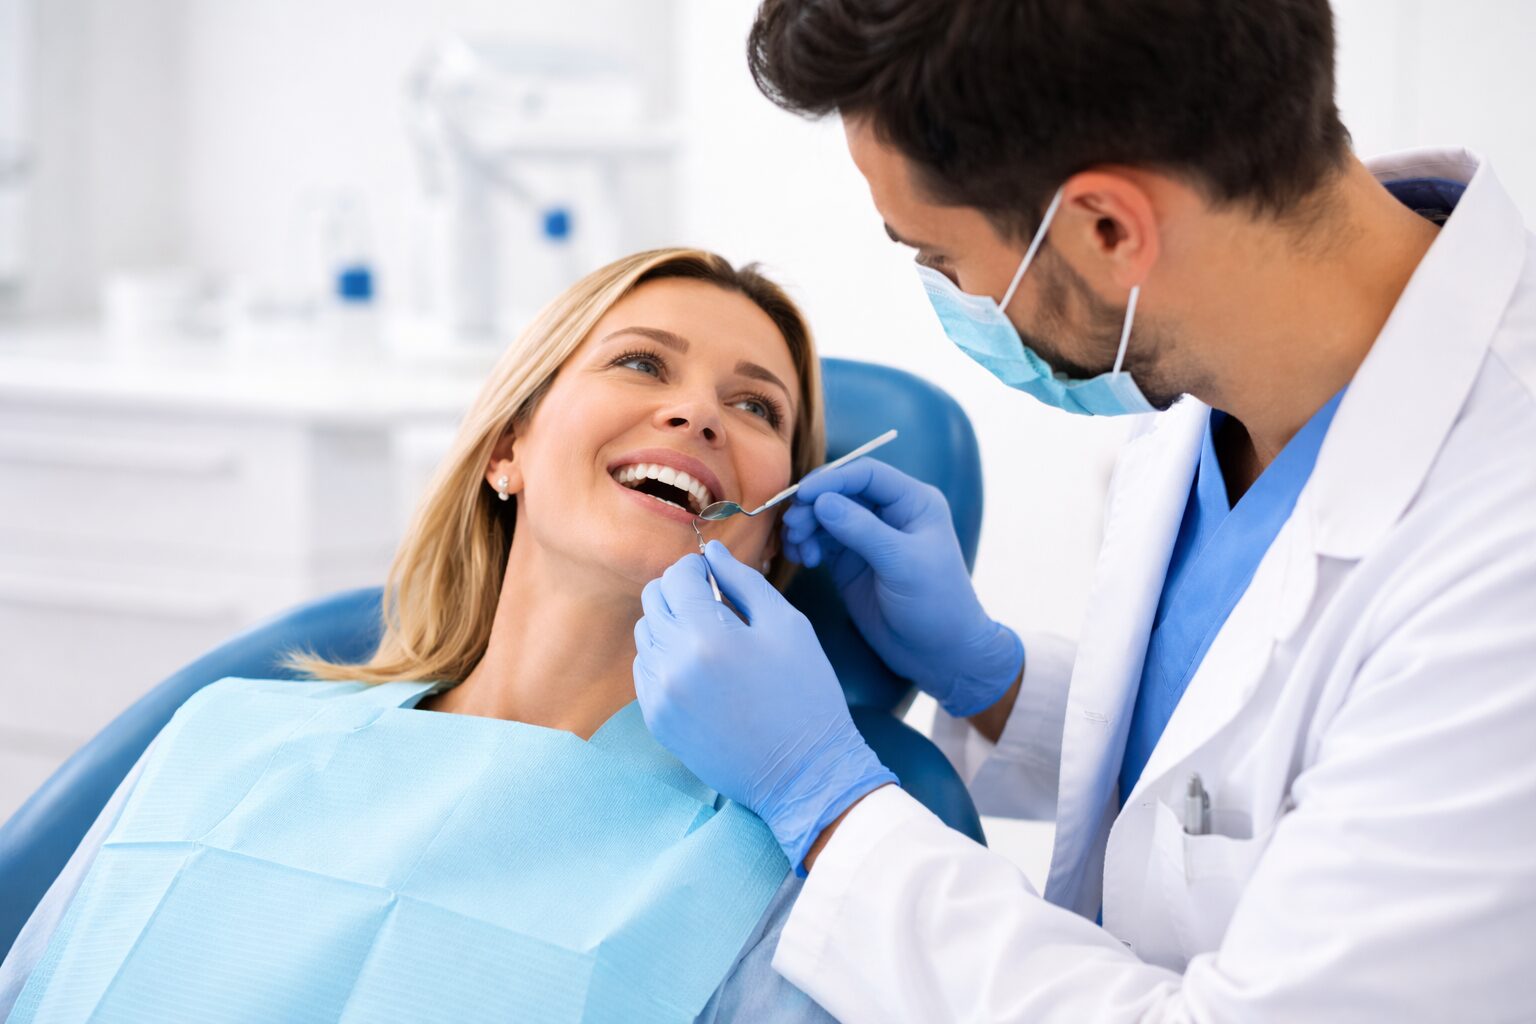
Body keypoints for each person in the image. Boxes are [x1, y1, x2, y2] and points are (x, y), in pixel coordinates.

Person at [631, 1, 1536, 1020]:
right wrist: (997, 679)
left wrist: (827, 802)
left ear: (1108, 228)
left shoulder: (1503, 564)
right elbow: (1220, 787)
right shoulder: (1224, 373)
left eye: (938, 258)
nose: (956, 297)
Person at [0, 249, 838, 1023]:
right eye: (641, 362)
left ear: (769, 541)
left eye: (756, 406)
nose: (697, 414)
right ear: (508, 446)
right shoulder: (222, 737)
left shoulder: (784, 881)